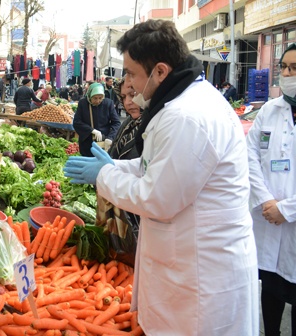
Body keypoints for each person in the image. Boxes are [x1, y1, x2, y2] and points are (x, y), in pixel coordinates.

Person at [64, 19, 258, 334]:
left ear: (161, 72)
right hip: (184, 266)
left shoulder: (187, 117)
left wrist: (104, 177)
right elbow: (156, 167)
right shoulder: (180, 104)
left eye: (131, 73)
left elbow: (158, 197)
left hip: (201, 278)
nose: (126, 83)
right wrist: (115, 167)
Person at [247, 43, 296, 336]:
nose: (287, 73)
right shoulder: (269, 110)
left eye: (294, 68)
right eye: (284, 67)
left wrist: (286, 209)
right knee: (272, 287)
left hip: (289, 220)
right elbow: (250, 156)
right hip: (268, 218)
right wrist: (267, 201)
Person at [72, 82, 120, 157]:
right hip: (87, 143)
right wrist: (91, 130)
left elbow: (116, 123)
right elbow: (76, 122)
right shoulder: (83, 103)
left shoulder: (108, 103)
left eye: (100, 98)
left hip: (104, 142)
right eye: (95, 98)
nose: (98, 101)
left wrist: (110, 137)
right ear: (89, 95)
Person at [107, 78, 141, 160]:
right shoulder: (128, 122)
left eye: (133, 94)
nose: (127, 102)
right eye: (123, 97)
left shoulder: (155, 125)